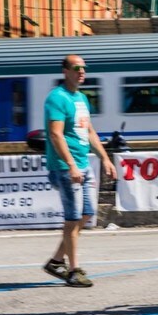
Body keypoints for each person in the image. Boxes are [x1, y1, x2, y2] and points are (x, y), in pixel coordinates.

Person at [42, 54, 117, 287]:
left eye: (84, 68)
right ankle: (74, 271)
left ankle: (56, 261)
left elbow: (90, 131)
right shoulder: (57, 98)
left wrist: (105, 158)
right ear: (65, 71)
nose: (82, 71)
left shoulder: (81, 98)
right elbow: (55, 134)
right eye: (77, 68)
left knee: (86, 214)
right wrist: (72, 165)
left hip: (83, 164)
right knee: (73, 219)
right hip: (66, 167)